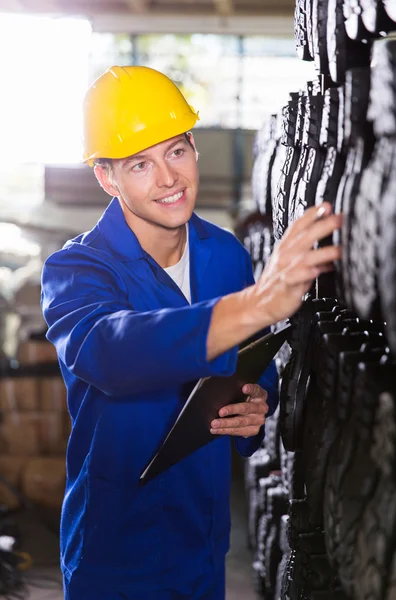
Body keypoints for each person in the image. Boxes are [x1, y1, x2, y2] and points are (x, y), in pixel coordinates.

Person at [41, 65, 342, 600]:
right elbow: (114, 351)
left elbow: (254, 367)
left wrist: (256, 406)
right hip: (115, 551)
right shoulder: (77, 271)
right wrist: (258, 302)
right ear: (108, 178)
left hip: (202, 543)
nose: (168, 178)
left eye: (176, 152)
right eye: (140, 164)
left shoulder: (223, 254)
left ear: (195, 149)